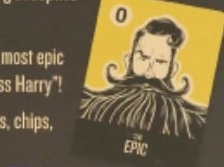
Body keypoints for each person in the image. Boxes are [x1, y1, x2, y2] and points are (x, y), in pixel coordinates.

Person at [79, 16, 207, 138]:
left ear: (173, 70)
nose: (148, 72)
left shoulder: (192, 125)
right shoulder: (89, 108)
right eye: (143, 58)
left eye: (160, 61)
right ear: (128, 60)